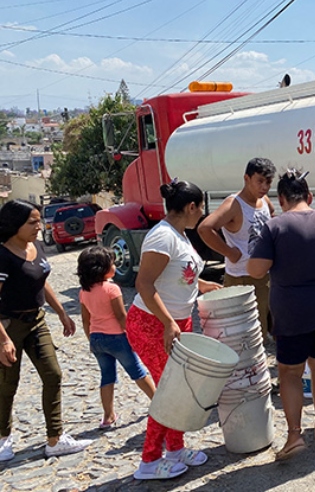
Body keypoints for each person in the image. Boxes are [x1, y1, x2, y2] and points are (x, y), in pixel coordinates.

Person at [247, 169, 315, 461]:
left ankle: (295, 434)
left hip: (293, 311)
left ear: (281, 199)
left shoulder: (275, 226)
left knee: (290, 372)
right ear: (310, 196)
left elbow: (256, 269)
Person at [126, 180, 222, 480]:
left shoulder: (179, 234)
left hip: (176, 323)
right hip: (154, 324)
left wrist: (204, 286)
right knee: (168, 393)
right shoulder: (162, 237)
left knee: (179, 390)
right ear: (191, 207)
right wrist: (168, 322)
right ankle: (149, 461)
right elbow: (144, 284)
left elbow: (181, 276)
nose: (203, 214)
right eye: (201, 208)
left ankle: (176, 449)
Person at [0, 200, 92, 461]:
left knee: (53, 375)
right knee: (7, 384)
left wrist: (61, 312)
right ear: (14, 224)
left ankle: (55, 438)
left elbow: (41, 280)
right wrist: (3, 340)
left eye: (39, 221)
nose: (39, 227)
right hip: (9, 325)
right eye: (32, 222)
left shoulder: (36, 246)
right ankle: (3, 438)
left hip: (37, 321)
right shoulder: (3, 256)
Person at [77, 246, 156, 429]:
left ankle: (108, 416)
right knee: (137, 371)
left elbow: (85, 319)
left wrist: (91, 338)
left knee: (107, 376)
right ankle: (157, 402)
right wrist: (132, 336)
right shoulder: (112, 289)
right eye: (112, 263)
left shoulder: (84, 292)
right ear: (104, 269)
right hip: (117, 338)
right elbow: (121, 316)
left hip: (97, 339)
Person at [198, 158, 276, 340]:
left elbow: (272, 216)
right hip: (242, 277)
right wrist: (229, 252)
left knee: (269, 326)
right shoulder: (234, 204)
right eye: (260, 181)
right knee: (249, 334)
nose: (264, 187)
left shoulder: (263, 200)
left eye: (268, 182)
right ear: (246, 178)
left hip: (266, 274)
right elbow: (205, 228)